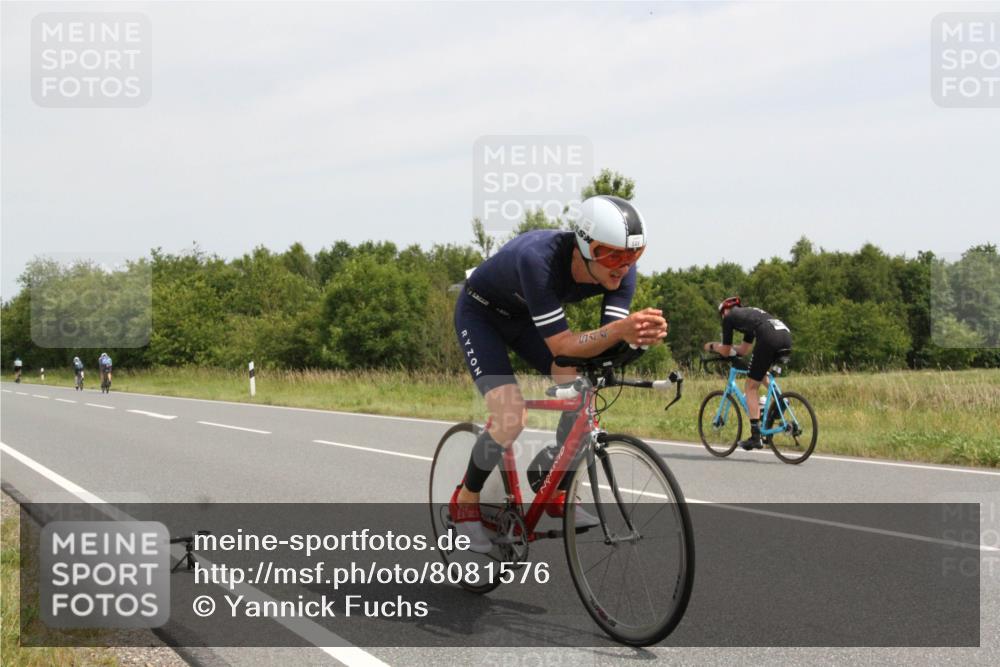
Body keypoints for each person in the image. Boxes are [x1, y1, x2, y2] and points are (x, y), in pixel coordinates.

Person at [452, 195, 668, 553]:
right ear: (584, 245)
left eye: (634, 255)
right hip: (481, 316)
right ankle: (466, 501)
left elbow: (604, 349)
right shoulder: (538, 260)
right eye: (612, 255)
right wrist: (619, 331)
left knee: (583, 386)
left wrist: (640, 340)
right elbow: (562, 345)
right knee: (511, 415)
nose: (623, 266)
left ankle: (554, 483)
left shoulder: (620, 274)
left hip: (524, 320)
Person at [703, 297, 792, 451]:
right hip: (784, 335)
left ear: (724, 311)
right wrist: (730, 350)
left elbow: (724, 350)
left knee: (750, 387)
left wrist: (712, 346)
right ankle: (780, 400)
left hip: (768, 335)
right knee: (760, 372)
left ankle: (755, 437)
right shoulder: (748, 316)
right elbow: (744, 350)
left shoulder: (729, 318)